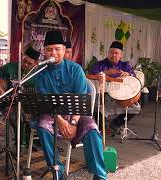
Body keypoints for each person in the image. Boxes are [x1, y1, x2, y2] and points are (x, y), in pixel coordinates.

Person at [35, 30, 106, 180]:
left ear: (63, 50)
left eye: (57, 49)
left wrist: (73, 123)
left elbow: (81, 99)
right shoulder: (40, 73)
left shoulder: (75, 69)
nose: (53, 53)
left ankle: (99, 175)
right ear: (44, 52)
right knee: (42, 125)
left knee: (92, 128)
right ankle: (58, 174)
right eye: (49, 49)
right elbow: (45, 101)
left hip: (77, 113)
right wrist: (60, 120)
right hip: (53, 114)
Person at [0, 46, 40, 147]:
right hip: (7, 101)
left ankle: (29, 141)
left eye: (29, 63)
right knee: (17, 114)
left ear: (35, 64)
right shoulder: (11, 67)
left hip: (25, 101)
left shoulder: (36, 74)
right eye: (24, 61)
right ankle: (20, 143)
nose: (25, 64)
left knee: (31, 112)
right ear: (22, 57)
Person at [89, 41, 140, 134]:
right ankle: (102, 129)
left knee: (136, 107)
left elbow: (134, 78)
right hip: (104, 95)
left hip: (122, 97)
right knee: (96, 106)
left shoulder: (125, 65)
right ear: (108, 53)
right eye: (111, 52)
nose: (113, 55)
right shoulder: (100, 64)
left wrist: (128, 74)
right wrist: (107, 72)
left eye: (116, 53)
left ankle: (115, 124)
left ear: (121, 55)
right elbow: (91, 75)